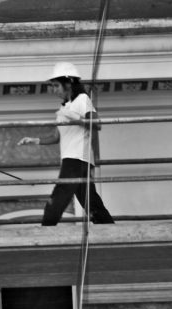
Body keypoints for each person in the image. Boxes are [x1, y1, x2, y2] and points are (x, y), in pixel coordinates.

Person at [17, 62, 115, 226]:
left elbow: (96, 124)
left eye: (56, 86)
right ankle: (109, 229)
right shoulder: (65, 107)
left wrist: (75, 119)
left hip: (76, 158)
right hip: (76, 158)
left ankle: (46, 230)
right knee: (90, 201)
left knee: (59, 196)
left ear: (68, 83)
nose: (54, 90)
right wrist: (35, 140)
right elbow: (57, 136)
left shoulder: (82, 99)